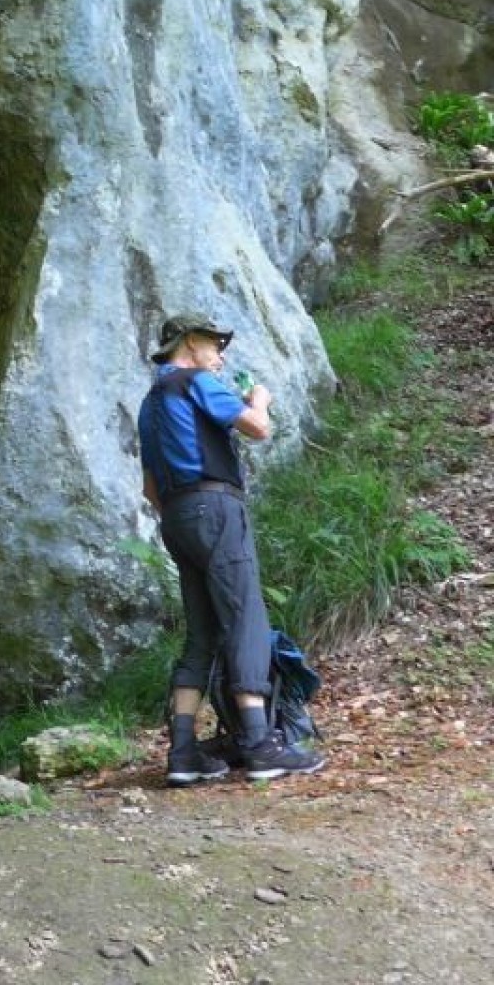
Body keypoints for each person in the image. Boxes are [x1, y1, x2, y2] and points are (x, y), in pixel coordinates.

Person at [137, 313, 326, 787]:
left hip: (176, 517)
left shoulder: (150, 401)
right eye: (215, 343)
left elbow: (149, 490)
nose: (220, 355)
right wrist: (259, 401)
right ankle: (261, 745)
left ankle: (182, 754)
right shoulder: (198, 380)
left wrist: (183, 517)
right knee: (246, 620)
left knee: (202, 634)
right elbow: (257, 428)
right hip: (216, 507)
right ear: (190, 342)